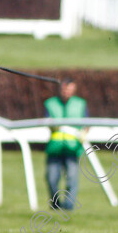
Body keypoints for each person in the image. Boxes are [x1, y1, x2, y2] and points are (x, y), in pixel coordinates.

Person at [44, 78, 87, 210]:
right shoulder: (50, 104)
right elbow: (47, 121)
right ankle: (55, 205)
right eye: (64, 89)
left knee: (72, 179)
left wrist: (84, 133)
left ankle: (68, 207)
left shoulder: (81, 104)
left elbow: (87, 123)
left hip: (73, 148)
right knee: (51, 179)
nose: (66, 92)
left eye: (69, 89)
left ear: (74, 89)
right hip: (55, 148)